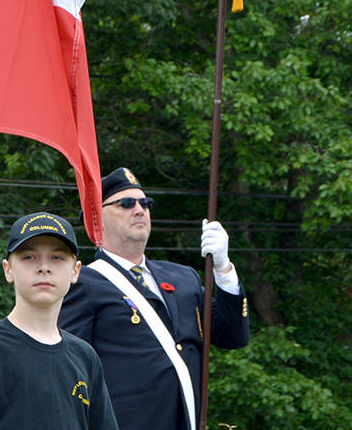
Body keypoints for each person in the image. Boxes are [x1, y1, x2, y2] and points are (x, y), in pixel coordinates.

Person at [58, 167, 250, 430]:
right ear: (97, 220)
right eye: (126, 203)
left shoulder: (184, 278)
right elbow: (69, 371)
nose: (139, 210)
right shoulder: (83, 283)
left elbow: (233, 336)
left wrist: (223, 268)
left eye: (145, 203)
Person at [0, 211, 119, 430]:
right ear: (8, 269)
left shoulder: (85, 356)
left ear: (75, 270)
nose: (44, 267)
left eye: (57, 257)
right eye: (29, 257)